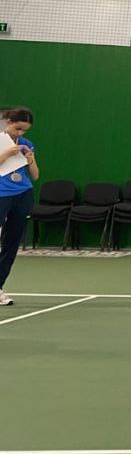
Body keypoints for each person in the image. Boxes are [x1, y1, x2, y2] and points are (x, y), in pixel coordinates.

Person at [0, 107, 39, 306]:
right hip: (1, 195)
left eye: (24, 130)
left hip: (23, 194)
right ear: (8, 122)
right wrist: (6, 154)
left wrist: (30, 160)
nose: (20, 133)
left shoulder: (26, 144)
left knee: (12, 242)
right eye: (18, 128)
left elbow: (35, 175)